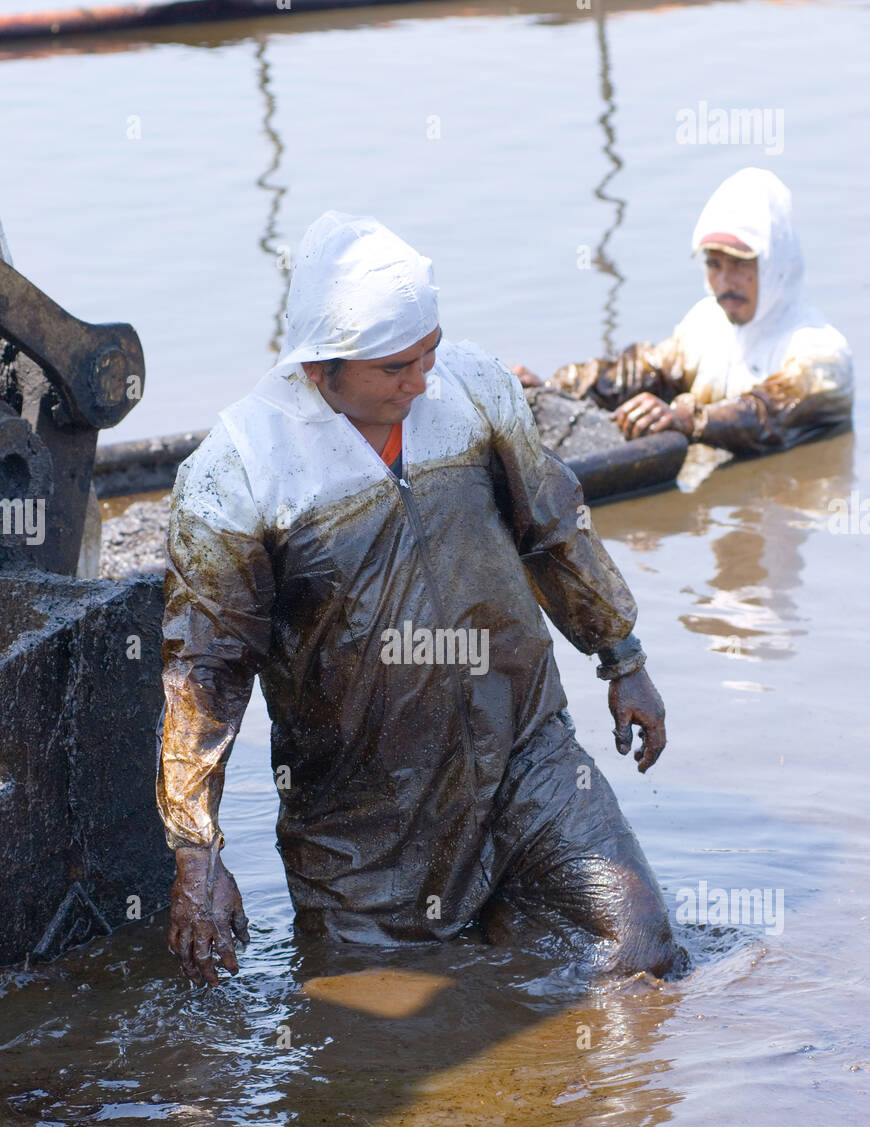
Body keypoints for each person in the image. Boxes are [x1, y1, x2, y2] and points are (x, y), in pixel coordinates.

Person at [156, 211, 683, 987]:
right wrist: (197, 853)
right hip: (363, 818)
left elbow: (554, 526)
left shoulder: (472, 392)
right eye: (395, 368)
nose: (420, 381)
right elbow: (205, 671)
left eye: (429, 354)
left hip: (524, 756)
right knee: (380, 1037)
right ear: (319, 368)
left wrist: (622, 657)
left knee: (641, 947)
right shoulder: (238, 472)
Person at [513, 168, 853, 455]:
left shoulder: (821, 353)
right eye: (713, 264)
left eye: (740, 264)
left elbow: (766, 415)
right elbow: (643, 371)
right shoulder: (707, 323)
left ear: (775, 262)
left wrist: (687, 420)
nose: (725, 281)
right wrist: (551, 388)